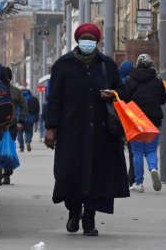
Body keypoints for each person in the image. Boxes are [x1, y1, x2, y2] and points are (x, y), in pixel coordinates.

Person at [44, 23, 129, 236]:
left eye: (92, 38)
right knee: (69, 174)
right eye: (85, 37)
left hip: (101, 134)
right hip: (71, 132)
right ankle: (74, 212)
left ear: (97, 41)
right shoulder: (63, 65)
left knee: (97, 177)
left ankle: (89, 218)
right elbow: (53, 99)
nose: (88, 41)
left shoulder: (107, 65)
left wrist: (113, 94)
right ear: (78, 40)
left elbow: (122, 91)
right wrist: (51, 128)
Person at [125, 53, 166, 193]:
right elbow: (163, 100)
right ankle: (153, 168)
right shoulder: (157, 80)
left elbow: (125, 98)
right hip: (153, 119)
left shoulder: (130, 79)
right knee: (151, 150)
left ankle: (138, 183)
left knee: (137, 151)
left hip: (136, 120)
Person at [1, 82, 28, 184]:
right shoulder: (15, 91)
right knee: (5, 150)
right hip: (5, 125)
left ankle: (6, 173)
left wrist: (21, 120)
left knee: (7, 149)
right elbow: (24, 106)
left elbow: (24, 106)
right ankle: (3, 173)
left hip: (5, 125)